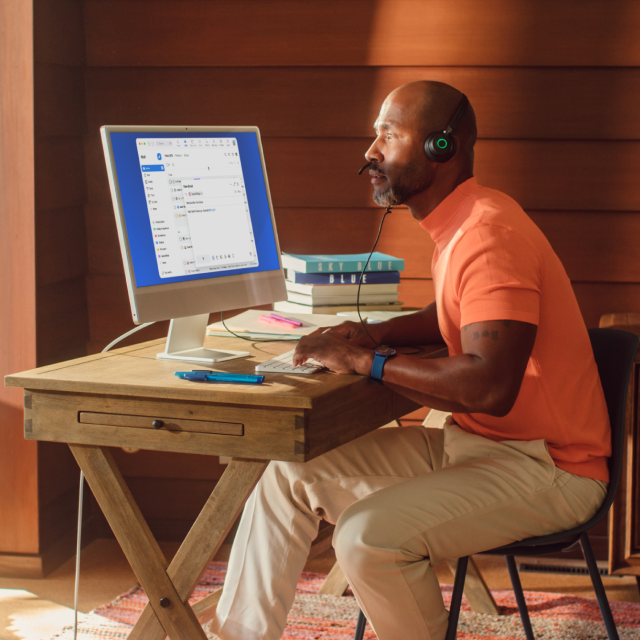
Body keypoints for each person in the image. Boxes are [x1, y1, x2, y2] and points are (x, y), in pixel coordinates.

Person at [210, 81, 610, 640]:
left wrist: (362, 360)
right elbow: (455, 316)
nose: (371, 152)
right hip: (485, 449)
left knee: (367, 537)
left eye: (389, 134)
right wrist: (371, 334)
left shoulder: (489, 234)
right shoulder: (464, 220)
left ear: (440, 148)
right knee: (289, 474)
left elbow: (489, 386)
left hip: (550, 469)